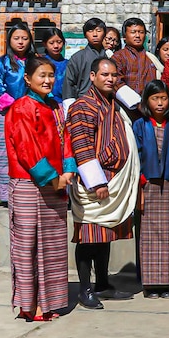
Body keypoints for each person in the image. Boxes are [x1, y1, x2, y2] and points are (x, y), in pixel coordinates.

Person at [5, 56, 76, 321]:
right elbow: (26, 148)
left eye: (50, 75)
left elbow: (65, 137)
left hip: (56, 182)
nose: (47, 80)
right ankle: (30, 304)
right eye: (41, 76)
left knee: (52, 245)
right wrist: (52, 177)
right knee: (29, 246)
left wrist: (68, 170)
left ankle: (49, 302)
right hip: (29, 183)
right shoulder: (22, 107)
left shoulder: (56, 106)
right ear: (27, 79)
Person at [67, 57, 140, 309]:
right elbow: (82, 146)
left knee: (105, 236)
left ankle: (103, 284)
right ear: (92, 76)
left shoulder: (114, 103)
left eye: (114, 76)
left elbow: (138, 104)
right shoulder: (83, 106)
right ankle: (85, 289)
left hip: (115, 180)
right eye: (105, 75)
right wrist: (96, 182)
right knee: (89, 237)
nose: (110, 79)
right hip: (95, 182)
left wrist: (120, 90)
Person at [133, 80, 169, 299]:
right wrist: (140, 182)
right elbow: (136, 155)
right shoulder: (140, 125)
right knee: (148, 234)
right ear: (146, 101)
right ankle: (150, 284)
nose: (159, 103)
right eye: (154, 98)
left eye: (163, 98)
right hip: (148, 184)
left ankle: (167, 282)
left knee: (168, 234)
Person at [0, 22, 35, 202]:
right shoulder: (2, 63)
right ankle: (5, 194)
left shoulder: (35, 61)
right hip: (7, 114)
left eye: (24, 38)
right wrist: (15, 106)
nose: (21, 42)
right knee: (6, 152)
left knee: (30, 150)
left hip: (31, 113)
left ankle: (27, 190)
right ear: (10, 41)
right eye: (17, 38)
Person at [111, 18, 164, 114]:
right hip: (126, 108)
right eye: (133, 32)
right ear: (124, 37)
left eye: (141, 32)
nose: (137, 36)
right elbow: (116, 82)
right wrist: (137, 103)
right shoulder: (118, 57)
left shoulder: (151, 58)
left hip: (151, 108)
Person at [63, 18, 107, 109]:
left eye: (98, 31)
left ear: (104, 34)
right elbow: (69, 83)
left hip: (106, 103)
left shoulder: (110, 57)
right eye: (90, 31)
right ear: (85, 35)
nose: (95, 34)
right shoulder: (77, 58)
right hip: (83, 103)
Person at [41, 27, 68, 104]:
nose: (56, 46)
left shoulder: (69, 64)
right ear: (45, 44)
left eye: (59, 42)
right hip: (44, 103)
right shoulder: (40, 64)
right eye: (51, 43)